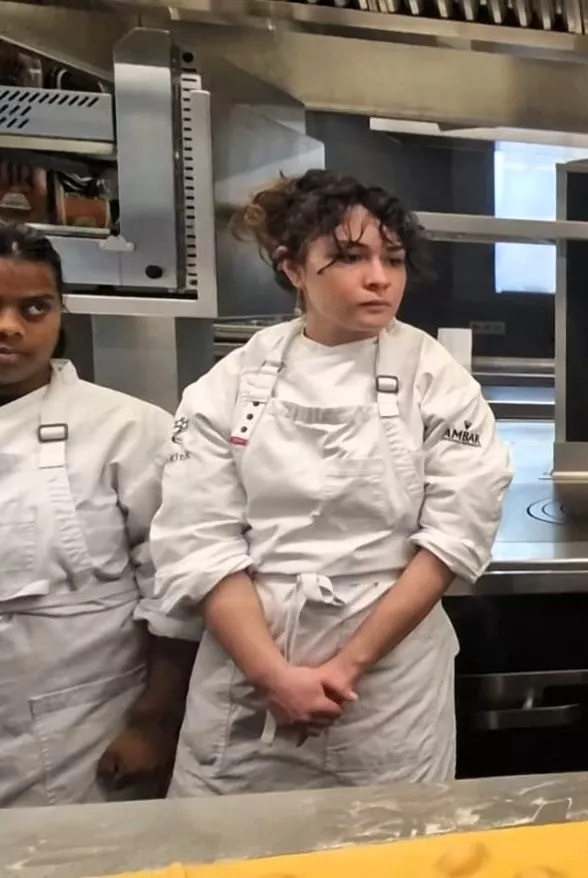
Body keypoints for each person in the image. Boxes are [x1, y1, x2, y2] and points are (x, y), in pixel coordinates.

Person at [148, 171, 514, 795]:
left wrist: (348, 665)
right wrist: (272, 676)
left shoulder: (437, 379)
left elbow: (454, 537)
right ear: (293, 268)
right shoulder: (228, 384)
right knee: (233, 844)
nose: (379, 278)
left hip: (386, 685)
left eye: (392, 259)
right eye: (349, 258)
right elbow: (201, 543)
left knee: (389, 840)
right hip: (250, 674)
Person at [0, 221, 197, 806]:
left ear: (61, 312)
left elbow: (178, 593)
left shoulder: (128, 430)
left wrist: (154, 724)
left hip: (84, 730)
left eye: (34, 308)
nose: (10, 326)